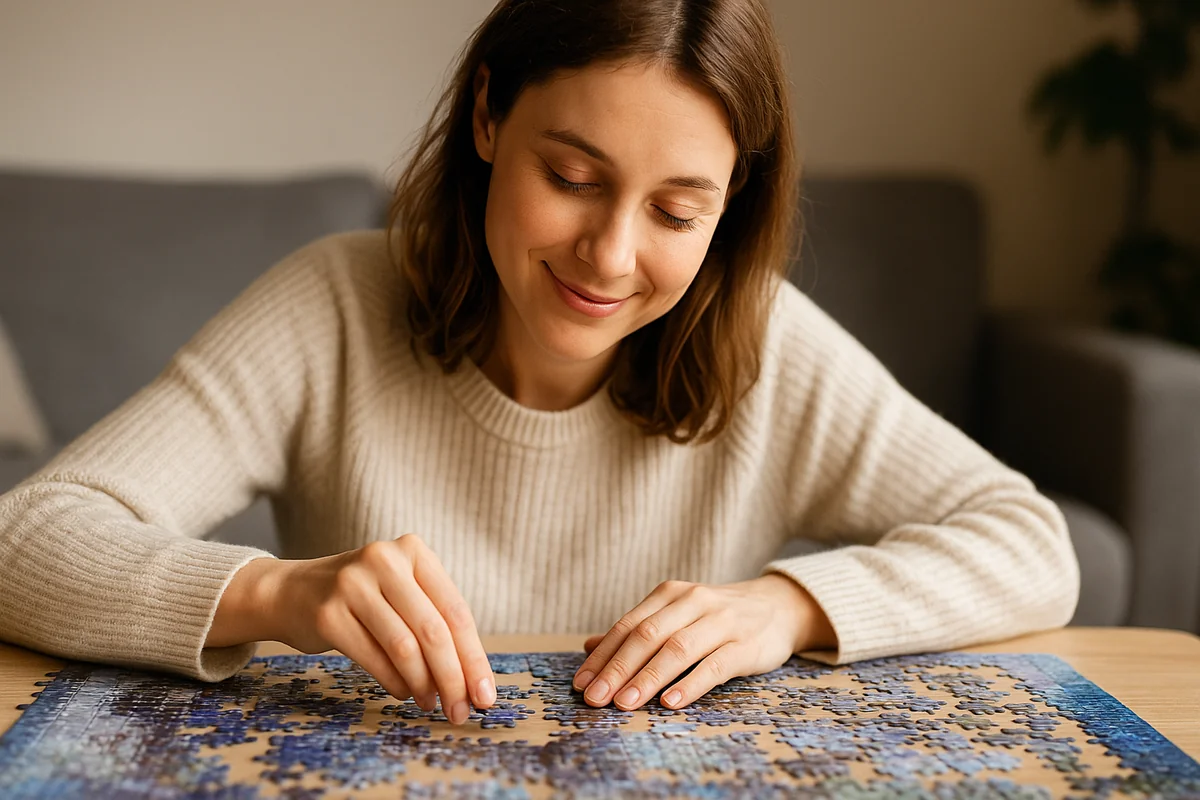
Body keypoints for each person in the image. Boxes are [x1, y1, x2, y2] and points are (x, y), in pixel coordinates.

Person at [0, 0, 1079, 729]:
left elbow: (1031, 542)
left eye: (675, 209)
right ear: (485, 115)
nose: (610, 255)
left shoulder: (762, 338)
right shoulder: (331, 302)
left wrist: (786, 606)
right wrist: (279, 592)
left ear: (729, 209)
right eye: (572, 174)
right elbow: (27, 537)